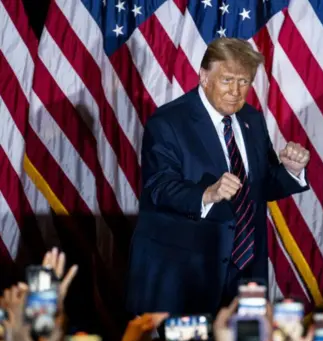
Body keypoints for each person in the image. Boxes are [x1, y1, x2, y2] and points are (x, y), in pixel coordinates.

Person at [125, 37, 310, 317]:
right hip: (186, 273)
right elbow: (157, 188)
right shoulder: (168, 122)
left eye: (244, 82)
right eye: (227, 80)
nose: (236, 91)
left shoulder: (251, 118)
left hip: (246, 271)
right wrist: (206, 194)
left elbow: (260, 186)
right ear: (204, 76)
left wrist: (290, 170)